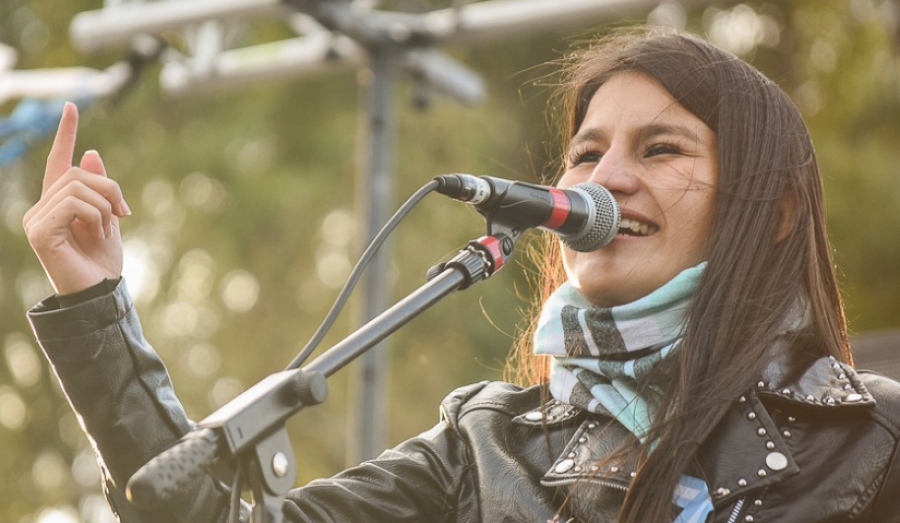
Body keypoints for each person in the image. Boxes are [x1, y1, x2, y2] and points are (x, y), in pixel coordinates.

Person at [23, 27, 900, 523]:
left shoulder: (876, 439)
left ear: (775, 209)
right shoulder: (485, 444)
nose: (602, 180)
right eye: (584, 155)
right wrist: (94, 303)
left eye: (659, 148)